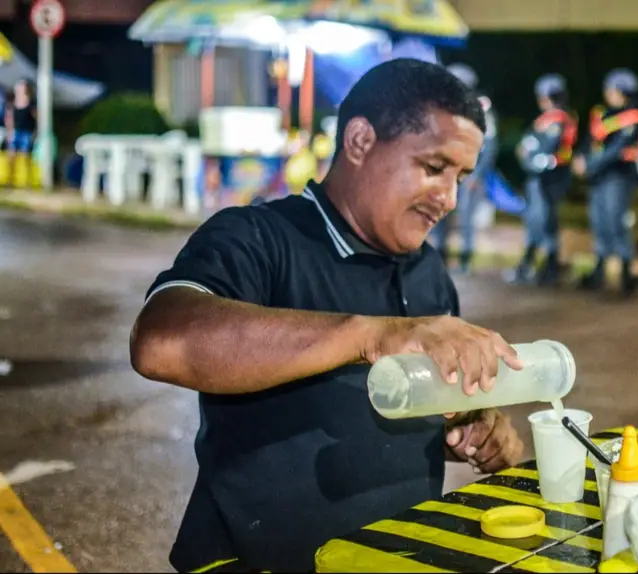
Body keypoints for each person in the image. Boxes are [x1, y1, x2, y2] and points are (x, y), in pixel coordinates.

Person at [129, 59, 525, 573]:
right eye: (433, 167)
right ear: (360, 141)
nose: (448, 198)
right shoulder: (258, 237)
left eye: (461, 177)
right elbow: (160, 341)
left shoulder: (429, 274)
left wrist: (473, 430)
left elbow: (393, 415)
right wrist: (372, 334)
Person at [574, 69, 638, 296]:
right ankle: (600, 270)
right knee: (600, 222)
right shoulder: (603, 114)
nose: (608, 94)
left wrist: (590, 165)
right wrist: (581, 157)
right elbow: (589, 140)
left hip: (619, 176)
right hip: (599, 177)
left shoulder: (635, 117)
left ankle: (627, 274)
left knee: (616, 222)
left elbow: (616, 150)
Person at [508, 74, 577, 285]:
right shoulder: (552, 118)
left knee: (541, 222)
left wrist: (528, 156)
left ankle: (540, 267)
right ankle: (545, 267)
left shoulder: (557, 119)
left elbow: (538, 150)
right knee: (542, 221)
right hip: (544, 178)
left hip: (547, 179)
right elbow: (526, 146)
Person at [430, 63, 499, 274]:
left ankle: (465, 259)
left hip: (469, 172)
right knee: (439, 212)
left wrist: (478, 174)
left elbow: (491, 144)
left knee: (467, 215)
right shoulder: (443, 105)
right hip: (446, 170)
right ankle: (440, 256)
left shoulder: (482, 107)